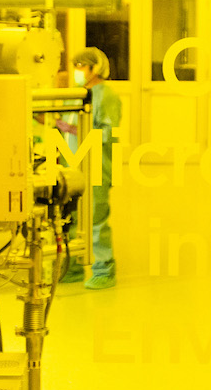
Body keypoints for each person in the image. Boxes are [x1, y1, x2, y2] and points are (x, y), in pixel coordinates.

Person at [59, 47, 123, 289]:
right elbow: (64, 125)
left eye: (81, 66)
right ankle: (72, 268)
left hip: (97, 166)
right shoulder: (77, 94)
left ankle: (105, 270)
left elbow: (108, 133)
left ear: (94, 68)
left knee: (96, 221)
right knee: (71, 219)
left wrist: (77, 130)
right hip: (73, 165)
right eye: (74, 66)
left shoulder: (106, 95)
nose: (76, 71)